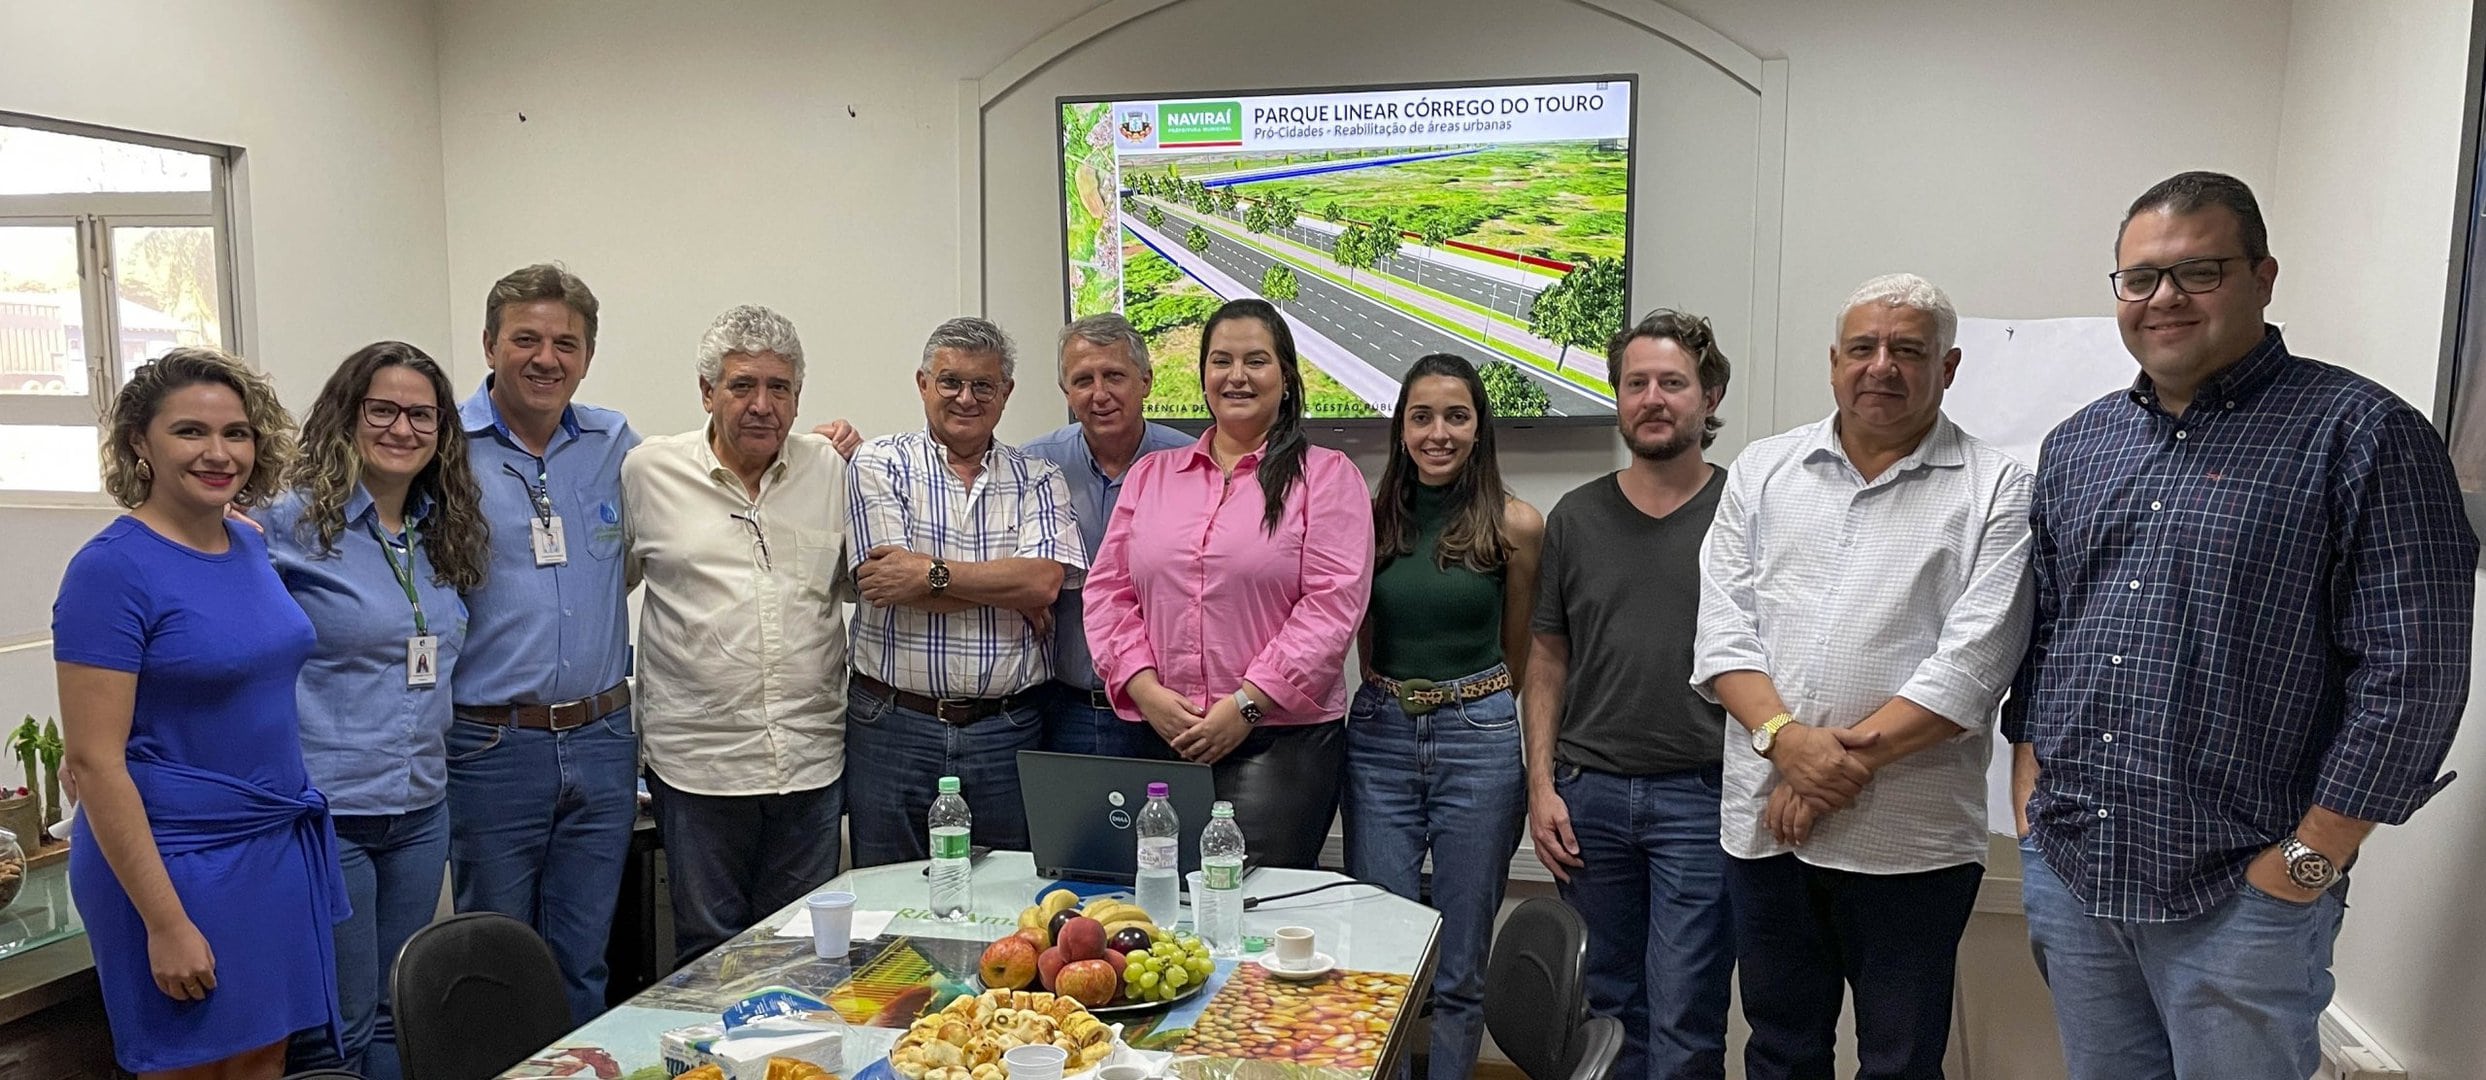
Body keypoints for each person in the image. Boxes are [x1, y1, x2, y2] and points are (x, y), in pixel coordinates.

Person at [2007, 171, 2477, 1080]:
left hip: (2240, 896)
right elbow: (2052, 633)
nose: (2164, 299)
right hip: (2075, 869)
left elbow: (2412, 676)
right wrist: (2029, 786)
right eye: (2139, 278)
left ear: (2263, 276)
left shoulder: (2363, 434)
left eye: (2200, 272)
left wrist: (2309, 861)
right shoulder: (2079, 444)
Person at [1693, 275, 2033, 1080]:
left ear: (1947, 368)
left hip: (1910, 845)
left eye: (1908, 350)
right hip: (1764, 831)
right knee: (1778, 1046)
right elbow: (1723, 635)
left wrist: (1813, 775)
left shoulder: (1998, 489)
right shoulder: (1762, 470)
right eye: (1863, 349)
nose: (1882, 367)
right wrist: (1784, 743)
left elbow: (1972, 668)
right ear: (1834, 361)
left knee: (1901, 1058)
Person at [53, 348, 346, 1079]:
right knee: (192, 1061)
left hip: (270, 844)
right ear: (138, 444)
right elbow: (92, 762)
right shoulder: (110, 569)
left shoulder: (248, 540)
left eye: (237, 433)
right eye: (190, 431)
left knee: (262, 1057)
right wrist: (164, 921)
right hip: (172, 863)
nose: (219, 453)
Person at [260, 342, 487, 1080]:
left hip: (421, 806)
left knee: (400, 1008)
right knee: (340, 1022)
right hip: (331, 811)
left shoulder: (440, 530)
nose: (402, 429)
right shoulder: (284, 527)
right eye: (381, 410)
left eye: (422, 414)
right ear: (346, 416)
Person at [1085, 298, 1372, 869]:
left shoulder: (1328, 476)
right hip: (1162, 732)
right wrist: (1143, 689)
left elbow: (1331, 609)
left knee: (1251, 916)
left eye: (1256, 361)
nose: (1236, 376)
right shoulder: (1152, 475)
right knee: (1162, 912)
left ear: (1286, 379)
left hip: (1278, 742)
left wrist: (1244, 705)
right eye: (1221, 361)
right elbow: (1107, 592)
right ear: (1203, 377)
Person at [1525, 310, 1735, 1080]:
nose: (1652, 397)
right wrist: (1541, 787)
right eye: (1635, 382)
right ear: (1616, 397)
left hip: (1703, 800)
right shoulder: (1575, 517)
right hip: (1588, 801)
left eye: (1672, 383)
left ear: (1708, 396)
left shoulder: (1746, 510)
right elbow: (1546, 660)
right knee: (1607, 1014)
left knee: (1687, 1015)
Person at [625, 305, 853, 963]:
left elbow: (858, 584)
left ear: (798, 396)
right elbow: (607, 585)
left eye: (778, 388)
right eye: (742, 386)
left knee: (807, 951)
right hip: (699, 766)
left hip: (809, 761)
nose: (762, 405)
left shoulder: (832, 472)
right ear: (706, 393)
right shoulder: (648, 474)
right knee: (708, 952)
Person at [449, 263, 642, 1023]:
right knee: (493, 961)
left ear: (587, 356)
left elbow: (707, 474)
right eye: (525, 338)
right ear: (490, 343)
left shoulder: (613, 441)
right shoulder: (441, 448)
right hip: (494, 746)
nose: (546, 358)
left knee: (584, 959)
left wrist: (829, 443)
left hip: (601, 737)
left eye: (566, 342)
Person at [1345, 353, 1542, 1080]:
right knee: (1386, 952)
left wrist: (1476, 707)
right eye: (1421, 417)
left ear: (1479, 428)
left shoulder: (1519, 525)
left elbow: (1517, 650)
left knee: (1460, 961)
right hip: (1379, 739)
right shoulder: (1367, 523)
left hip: (1479, 738)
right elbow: (1366, 634)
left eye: (1456, 416)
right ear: (1400, 429)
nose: (1438, 433)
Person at [844, 317, 1084, 866]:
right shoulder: (878, 463)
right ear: (923, 383)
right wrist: (1006, 587)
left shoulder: (1040, 477)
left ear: (1006, 393)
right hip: (894, 725)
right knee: (888, 903)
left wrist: (929, 574)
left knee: (1009, 907)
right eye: (950, 381)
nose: (965, 398)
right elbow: (886, 582)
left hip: (1008, 729)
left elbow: (1044, 581)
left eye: (983, 385)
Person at [1020, 313, 1193, 760]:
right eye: (1083, 380)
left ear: (1146, 381)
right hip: (1065, 709)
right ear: (1066, 393)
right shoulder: (1034, 467)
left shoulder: (1192, 464)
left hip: (1170, 711)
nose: (1100, 394)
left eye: (1114, 375)